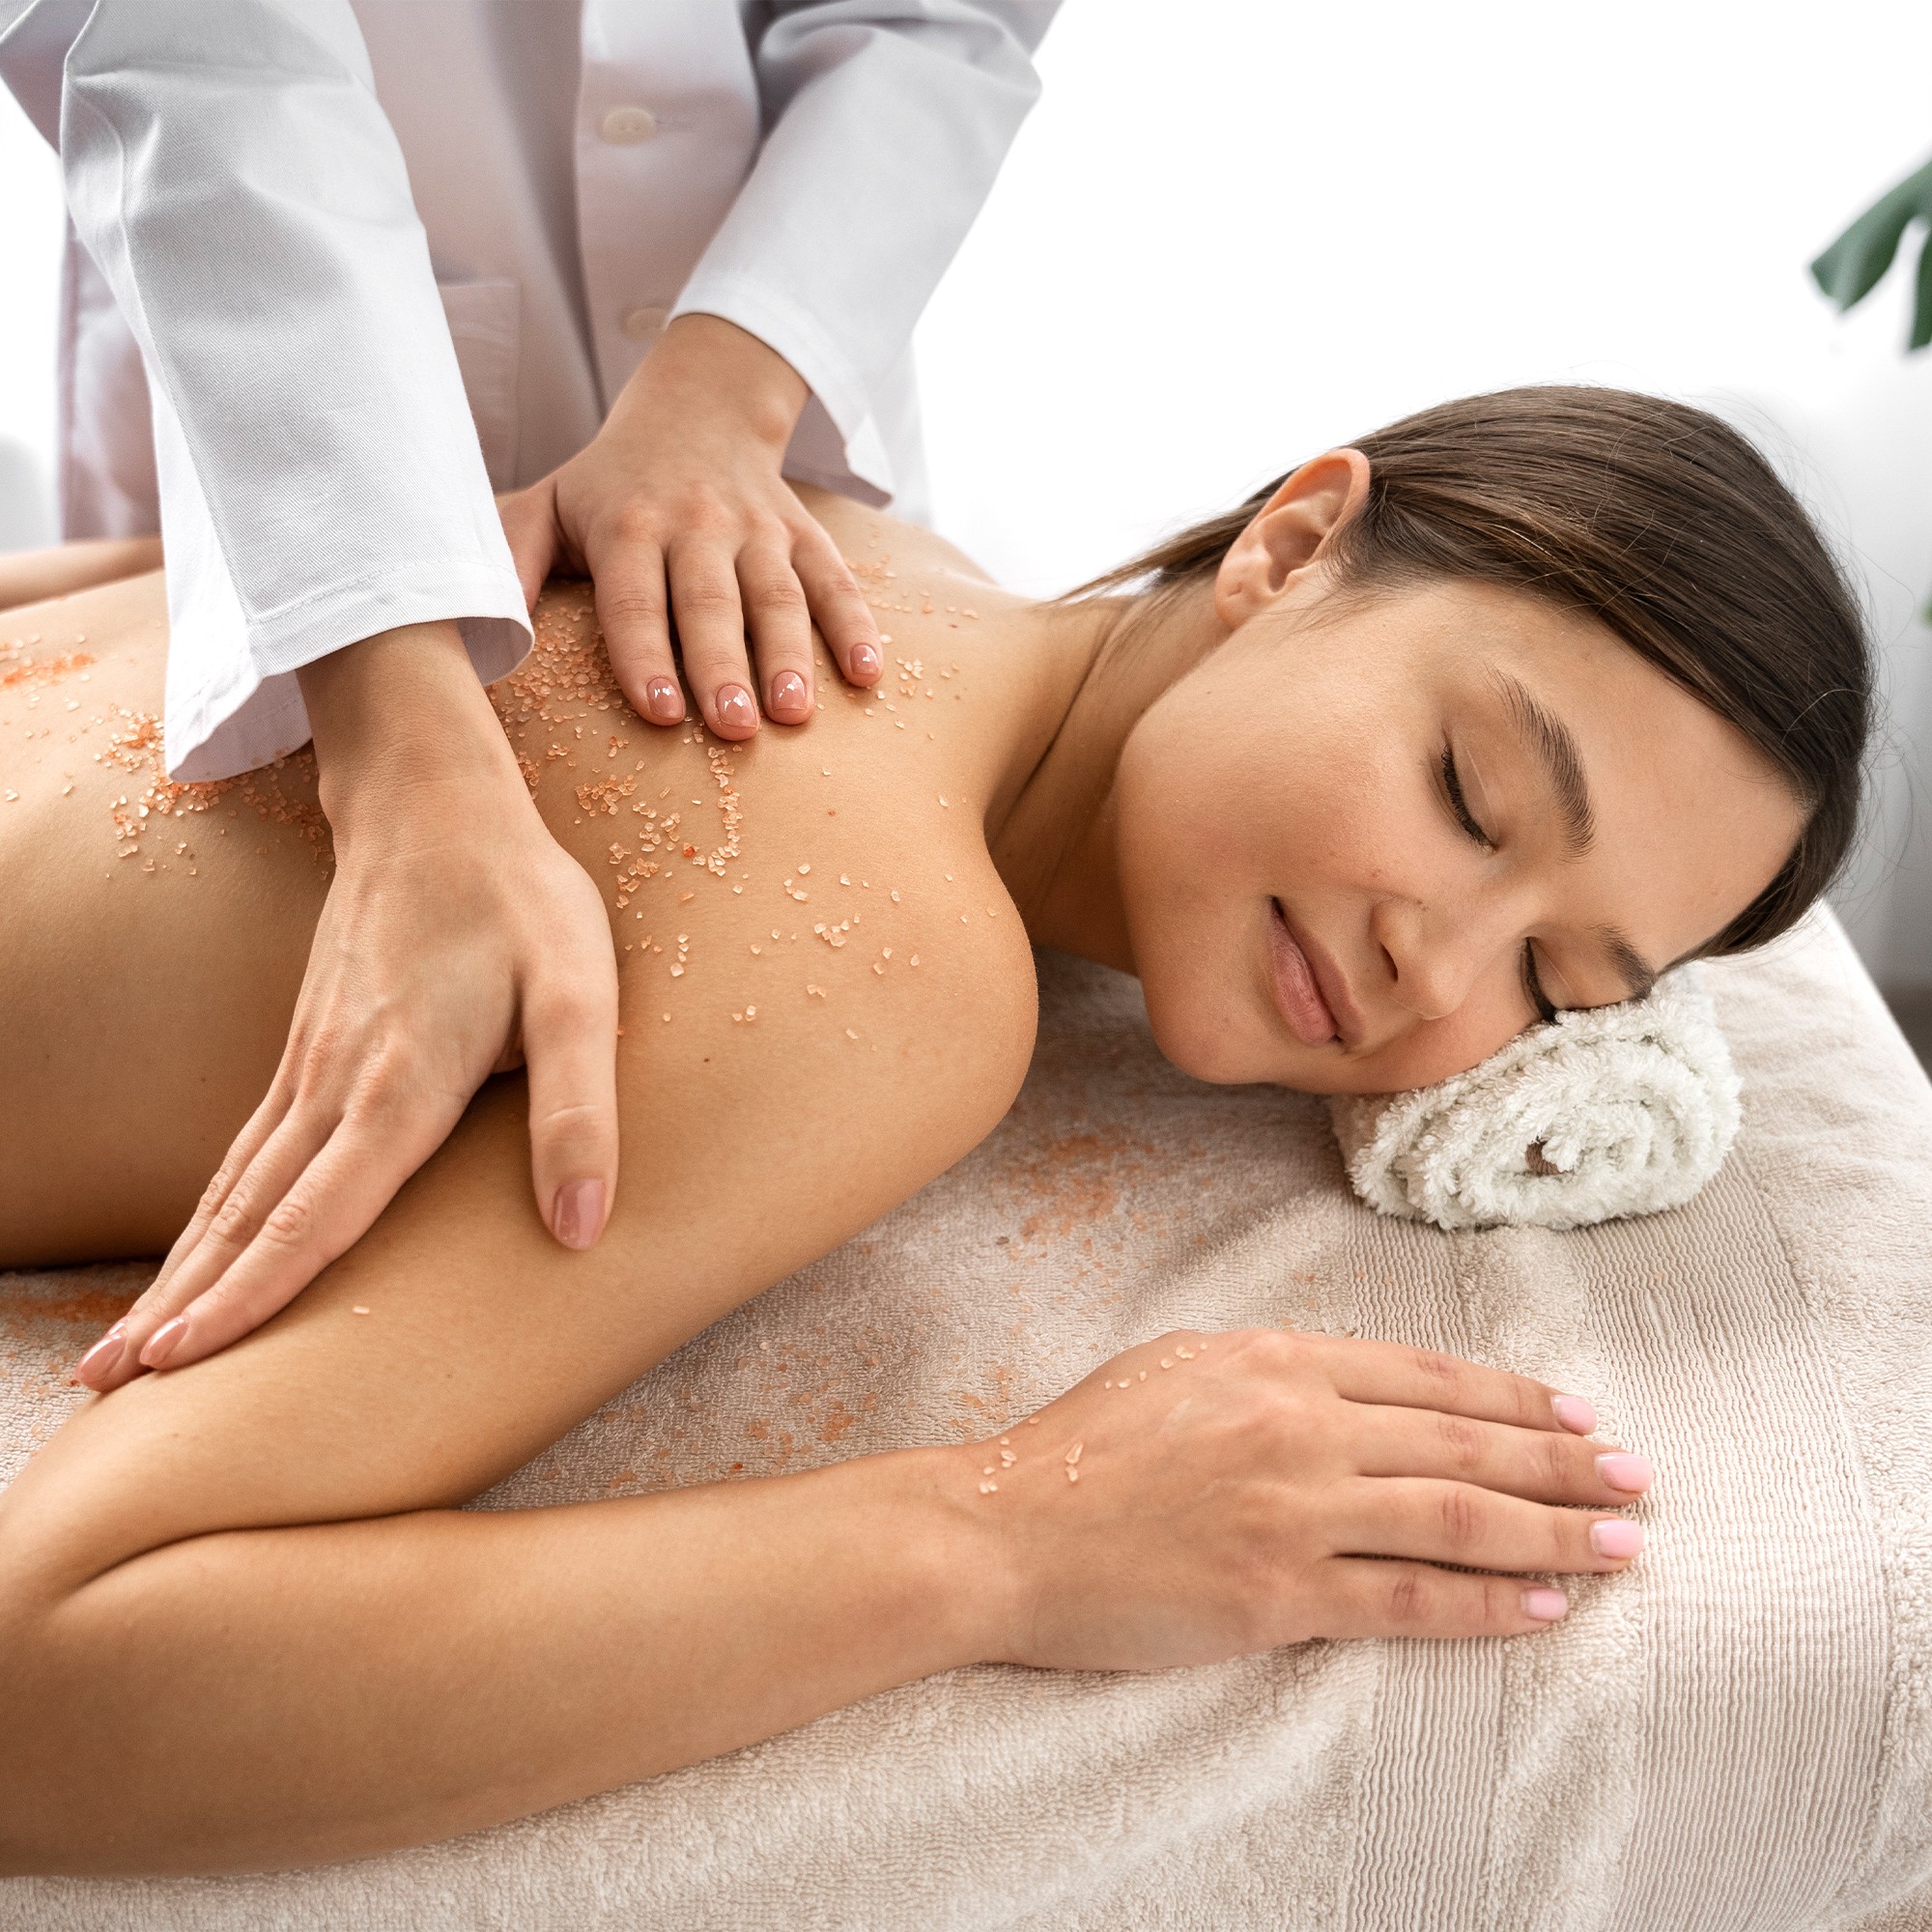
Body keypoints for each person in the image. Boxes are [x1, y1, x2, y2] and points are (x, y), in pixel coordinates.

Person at [0, 387, 1871, 1875]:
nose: (1432, 966)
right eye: (1468, 795)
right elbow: (50, 1685)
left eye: (1558, 982)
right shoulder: (888, 982)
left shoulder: (825, 539)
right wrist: (1008, 1543)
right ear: (1294, 544)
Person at [0, 0, 1058, 1377]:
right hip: (282, 332)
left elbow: (939, 18)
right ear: (1291, 543)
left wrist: (727, 385)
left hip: (752, 387)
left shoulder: (921, 648)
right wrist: (402, 762)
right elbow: (191, 38)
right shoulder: (921, 979)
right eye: (1447, 780)